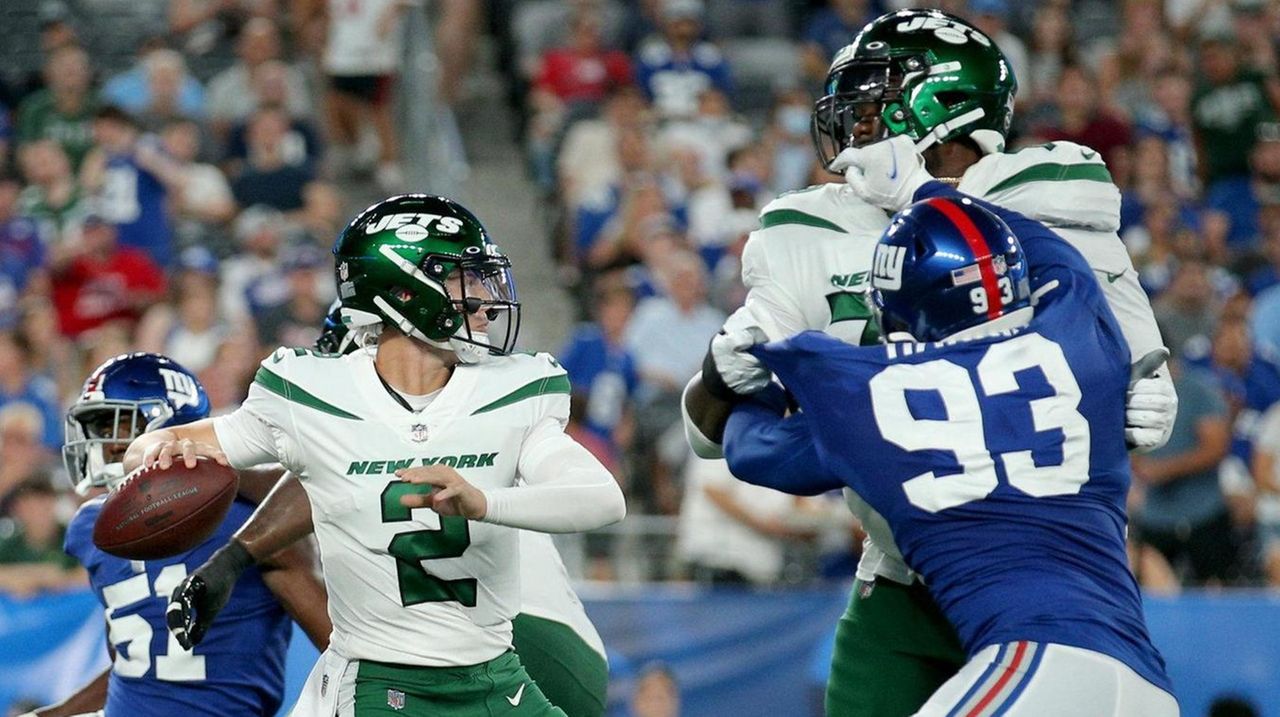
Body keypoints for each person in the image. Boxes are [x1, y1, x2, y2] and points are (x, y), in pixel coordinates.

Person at [680, 9, 1178, 716]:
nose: (853, 120)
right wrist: (721, 372)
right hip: (904, 570)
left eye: (876, 97)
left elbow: (1143, 385)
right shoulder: (809, 228)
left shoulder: (1050, 188)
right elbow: (709, 423)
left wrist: (1149, 382)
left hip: (1041, 570)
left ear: (943, 106)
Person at [125, 195, 626, 715]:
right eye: (465, 279)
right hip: (391, 674)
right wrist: (156, 451)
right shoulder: (310, 396)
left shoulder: (515, 387)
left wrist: (485, 504)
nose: (482, 299)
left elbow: (603, 498)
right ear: (405, 292)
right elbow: (182, 446)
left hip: (504, 662)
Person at [719, 193, 1178, 715]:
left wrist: (747, 383)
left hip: (1035, 668)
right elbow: (1055, 252)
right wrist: (931, 191)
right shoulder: (1078, 338)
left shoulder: (877, 395)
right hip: (1146, 681)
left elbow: (748, 450)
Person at [170, 304, 613, 716]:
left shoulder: (388, 411)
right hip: (562, 648)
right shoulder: (480, 403)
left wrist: (230, 551)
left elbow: (327, 477)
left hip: (497, 641)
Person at [27, 353, 330, 717]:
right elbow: (139, 666)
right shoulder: (93, 526)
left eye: (114, 423)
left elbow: (336, 644)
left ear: (167, 425)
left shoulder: (253, 518)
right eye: (95, 427)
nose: (102, 441)